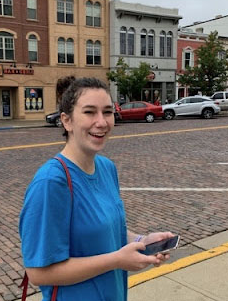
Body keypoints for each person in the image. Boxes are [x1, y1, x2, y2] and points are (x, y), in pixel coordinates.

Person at [19, 77, 174, 301]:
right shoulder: (51, 182)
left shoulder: (106, 167)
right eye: (90, 112)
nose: (101, 122)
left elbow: (110, 231)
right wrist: (116, 261)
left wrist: (142, 241)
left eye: (108, 112)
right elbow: (38, 273)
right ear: (67, 121)